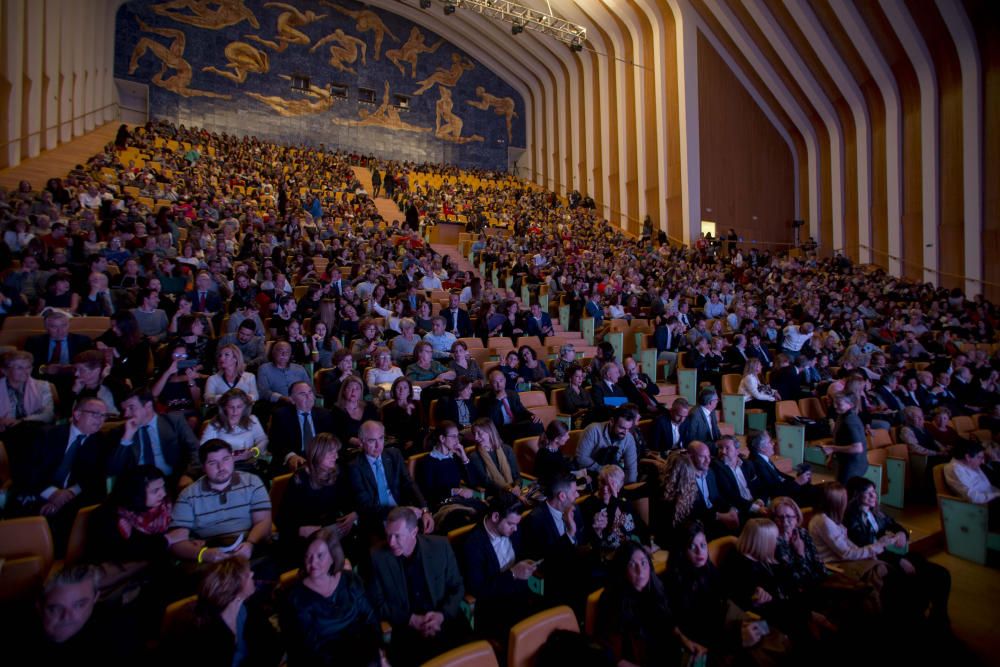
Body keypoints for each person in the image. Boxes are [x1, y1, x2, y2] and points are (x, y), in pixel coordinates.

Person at [366, 506, 469, 665]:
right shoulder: (377, 557)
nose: (391, 542)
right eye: (388, 535)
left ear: (414, 532)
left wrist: (442, 615)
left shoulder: (440, 546)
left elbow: (457, 587)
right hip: (407, 629)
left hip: (445, 618)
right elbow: (377, 604)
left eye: (397, 536)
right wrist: (411, 619)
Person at [845, 476, 951, 627]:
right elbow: (869, 548)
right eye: (868, 493)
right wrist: (898, 560)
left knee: (941, 574)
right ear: (856, 495)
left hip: (885, 556)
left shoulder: (873, 512)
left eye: (874, 492)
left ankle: (938, 616)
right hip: (873, 560)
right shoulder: (851, 519)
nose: (873, 496)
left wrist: (902, 533)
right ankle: (925, 618)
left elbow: (894, 525)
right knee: (926, 576)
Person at [13, 397, 110, 551]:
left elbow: (94, 478)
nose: (100, 420)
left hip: (72, 499)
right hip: (37, 491)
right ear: (77, 414)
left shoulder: (100, 442)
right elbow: (26, 471)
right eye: (95, 414)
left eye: (104, 416)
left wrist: (67, 494)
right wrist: (52, 494)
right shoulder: (46, 434)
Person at [279, 529, 382, 667]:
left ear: (333, 556)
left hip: (363, 653)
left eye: (320, 556)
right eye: (308, 556)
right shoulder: (296, 599)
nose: (313, 562)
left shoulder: (350, 580)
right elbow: (305, 649)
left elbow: (370, 618)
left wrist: (375, 651)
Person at [168, 439, 272, 566]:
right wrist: (203, 554)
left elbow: (264, 521)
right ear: (203, 467)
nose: (221, 467)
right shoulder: (188, 495)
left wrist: (250, 544)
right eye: (212, 463)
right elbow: (177, 542)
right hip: (210, 554)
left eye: (226, 459)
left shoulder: (252, 482)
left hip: (248, 545)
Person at [460, 492, 541, 639]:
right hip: (495, 608)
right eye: (511, 524)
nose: (515, 529)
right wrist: (513, 574)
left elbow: (523, 554)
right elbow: (478, 590)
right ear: (496, 517)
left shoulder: (514, 529)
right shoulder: (473, 543)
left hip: (521, 597)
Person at [177, 559, 280, 667]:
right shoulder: (202, 629)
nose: (252, 573)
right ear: (232, 589)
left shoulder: (249, 607)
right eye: (245, 575)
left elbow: (271, 647)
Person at [275, 433, 358, 568]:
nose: (336, 457)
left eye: (336, 452)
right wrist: (301, 530)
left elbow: (351, 500)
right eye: (331, 453)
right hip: (305, 533)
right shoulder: (299, 480)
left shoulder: (338, 472)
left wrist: (354, 514)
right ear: (317, 454)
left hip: (331, 527)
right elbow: (281, 520)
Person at [595, 541, 683, 666]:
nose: (640, 571)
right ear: (622, 570)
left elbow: (668, 622)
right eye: (632, 565)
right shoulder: (611, 599)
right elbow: (614, 656)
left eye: (643, 563)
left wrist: (685, 641)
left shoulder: (655, 587)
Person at [348, 420, 434, 533]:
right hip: (378, 518)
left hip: (402, 511)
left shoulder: (394, 455)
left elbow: (409, 483)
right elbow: (366, 506)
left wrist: (425, 510)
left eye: (381, 438)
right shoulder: (355, 466)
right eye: (372, 441)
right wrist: (401, 511)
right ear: (361, 442)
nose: (378, 445)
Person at [108, 387, 200, 488]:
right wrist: (127, 438)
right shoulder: (122, 431)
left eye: (131, 408)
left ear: (148, 406)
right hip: (139, 487)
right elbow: (113, 469)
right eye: (124, 409)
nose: (126, 414)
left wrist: (189, 474)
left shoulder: (174, 422)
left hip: (172, 480)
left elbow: (195, 450)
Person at [808, 482, 892, 592]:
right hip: (835, 566)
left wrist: (870, 553)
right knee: (883, 572)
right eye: (844, 499)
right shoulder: (823, 521)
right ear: (836, 502)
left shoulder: (830, 518)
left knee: (885, 570)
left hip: (845, 561)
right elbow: (846, 553)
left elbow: (848, 544)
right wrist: (876, 547)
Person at [580, 464, 646, 562]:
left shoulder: (623, 501)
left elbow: (641, 526)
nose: (606, 488)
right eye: (603, 482)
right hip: (610, 555)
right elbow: (606, 529)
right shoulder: (590, 504)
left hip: (632, 551)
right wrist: (613, 499)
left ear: (619, 487)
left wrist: (647, 545)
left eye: (612, 484)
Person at [267, 381, 336, 473]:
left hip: (319, 457)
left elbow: (332, 439)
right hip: (296, 458)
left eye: (310, 392)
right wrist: (291, 456)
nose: (309, 397)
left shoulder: (325, 414)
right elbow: (275, 444)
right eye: (302, 394)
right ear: (292, 399)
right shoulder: (281, 415)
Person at [415, 421, 478, 520]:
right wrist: (454, 491)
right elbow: (428, 494)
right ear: (442, 438)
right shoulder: (427, 462)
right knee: (465, 516)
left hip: (460, 498)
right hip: (442, 504)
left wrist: (464, 458)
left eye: (457, 436)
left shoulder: (454, 457)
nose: (457, 441)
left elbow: (473, 482)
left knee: (486, 500)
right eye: (453, 437)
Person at [199, 388, 268, 470]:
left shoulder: (252, 419)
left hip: (248, 464)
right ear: (224, 407)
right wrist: (225, 458)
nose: (235, 412)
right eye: (231, 407)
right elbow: (203, 448)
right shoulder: (215, 423)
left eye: (239, 407)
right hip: (222, 467)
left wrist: (254, 451)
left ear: (245, 406)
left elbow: (263, 440)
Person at [575, 403, 640, 483]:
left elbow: (631, 468)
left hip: (614, 478)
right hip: (590, 473)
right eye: (622, 428)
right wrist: (604, 470)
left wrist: (628, 487)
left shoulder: (629, 438)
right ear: (612, 421)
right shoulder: (593, 429)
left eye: (628, 429)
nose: (625, 433)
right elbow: (581, 458)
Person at [942, 440, 1000, 529]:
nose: (982, 461)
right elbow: (973, 497)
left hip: (990, 500)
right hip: (978, 508)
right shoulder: (954, 469)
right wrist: (997, 495)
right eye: (979, 457)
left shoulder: (971, 464)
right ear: (968, 457)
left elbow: (989, 485)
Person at [744, 430, 812, 504]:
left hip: (787, 490)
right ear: (762, 448)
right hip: (782, 500)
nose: (773, 444)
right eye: (770, 442)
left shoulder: (761, 459)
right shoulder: (757, 464)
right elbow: (774, 491)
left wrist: (798, 479)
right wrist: (797, 482)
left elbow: (780, 476)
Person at [711, 435, 766, 522]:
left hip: (755, 504)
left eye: (727, 448)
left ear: (737, 451)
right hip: (739, 510)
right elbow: (729, 495)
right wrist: (754, 507)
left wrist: (760, 500)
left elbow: (759, 486)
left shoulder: (747, 465)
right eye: (720, 448)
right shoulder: (717, 468)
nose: (723, 451)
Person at [481, 368, 543, 442]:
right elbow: (488, 420)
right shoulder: (485, 399)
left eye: (501, 381)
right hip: (501, 430)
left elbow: (522, 410)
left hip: (516, 425)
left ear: (505, 380)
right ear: (490, 384)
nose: (499, 384)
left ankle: (544, 447)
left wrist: (532, 416)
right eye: (495, 382)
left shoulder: (512, 394)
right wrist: (497, 400)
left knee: (537, 423)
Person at [468, 417, 523, 498]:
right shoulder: (474, 456)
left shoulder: (507, 449)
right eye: (474, 434)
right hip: (494, 494)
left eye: (479, 433)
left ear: (490, 432)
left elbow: (516, 476)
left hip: (512, 490)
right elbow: (487, 482)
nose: (476, 438)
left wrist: (517, 486)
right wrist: (509, 490)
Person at [821, 393, 868, 484]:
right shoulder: (842, 416)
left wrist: (832, 448)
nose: (835, 406)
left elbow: (858, 448)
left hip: (853, 465)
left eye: (839, 404)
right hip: (846, 462)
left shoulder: (850, 421)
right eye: (835, 403)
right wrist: (831, 456)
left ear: (850, 405)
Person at [257, 341, 311, 405]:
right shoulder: (264, 368)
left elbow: (310, 387)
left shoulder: (299, 368)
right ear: (273, 352)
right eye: (280, 351)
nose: (284, 354)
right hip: (277, 405)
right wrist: (282, 398)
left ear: (290, 355)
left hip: (301, 403)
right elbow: (263, 392)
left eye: (287, 352)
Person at [739, 357, 778, 425]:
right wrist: (772, 398)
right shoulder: (749, 378)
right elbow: (757, 396)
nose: (762, 366)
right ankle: (768, 426)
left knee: (773, 403)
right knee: (771, 404)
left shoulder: (754, 376)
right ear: (755, 367)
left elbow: (762, 389)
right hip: (747, 402)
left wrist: (774, 392)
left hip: (752, 400)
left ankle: (768, 425)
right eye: (760, 365)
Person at [683, 387, 722, 454]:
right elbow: (691, 441)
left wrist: (722, 441)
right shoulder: (694, 415)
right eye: (717, 399)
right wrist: (714, 445)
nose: (718, 401)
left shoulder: (712, 411)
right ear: (710, 402)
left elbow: (716, 430)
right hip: (701, 451)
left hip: (714, 447)